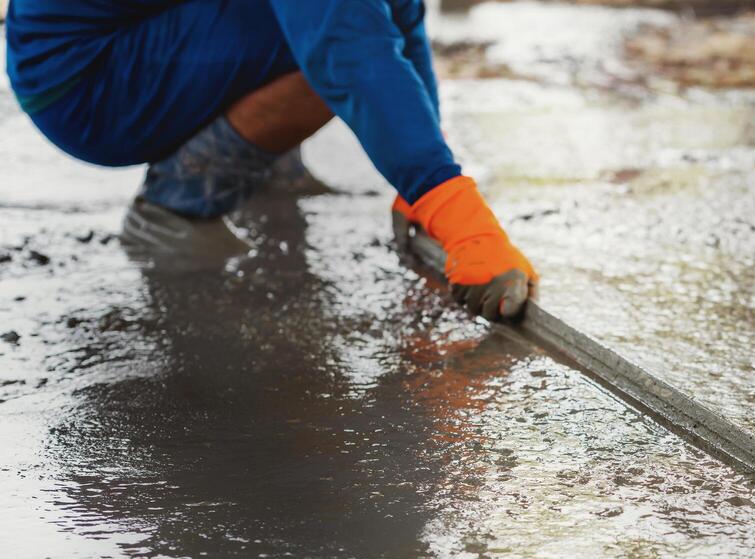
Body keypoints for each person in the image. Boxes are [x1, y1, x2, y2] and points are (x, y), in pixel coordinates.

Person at [3, 0, 536, 321]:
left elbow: (402, 14)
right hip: (85, 78)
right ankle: (181, 200)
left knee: (353, 22)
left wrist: (420, 181)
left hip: (132, 34)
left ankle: (263, 167)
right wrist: (453, 209)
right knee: (334, 36)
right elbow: (346, 43)